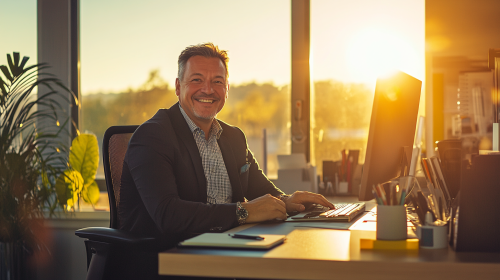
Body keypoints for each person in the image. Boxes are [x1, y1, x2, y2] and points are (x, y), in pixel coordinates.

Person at [119, 43, 334, 249]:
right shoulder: (152, 136)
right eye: (197, 80)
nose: (208, 90)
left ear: (227, 89)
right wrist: (243, 212)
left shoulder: (234, 137)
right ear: (178, 86)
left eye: (218, 82)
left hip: (229, 249)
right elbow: (168, 215)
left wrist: (288, 201)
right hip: (168, 258)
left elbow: (260, 190)